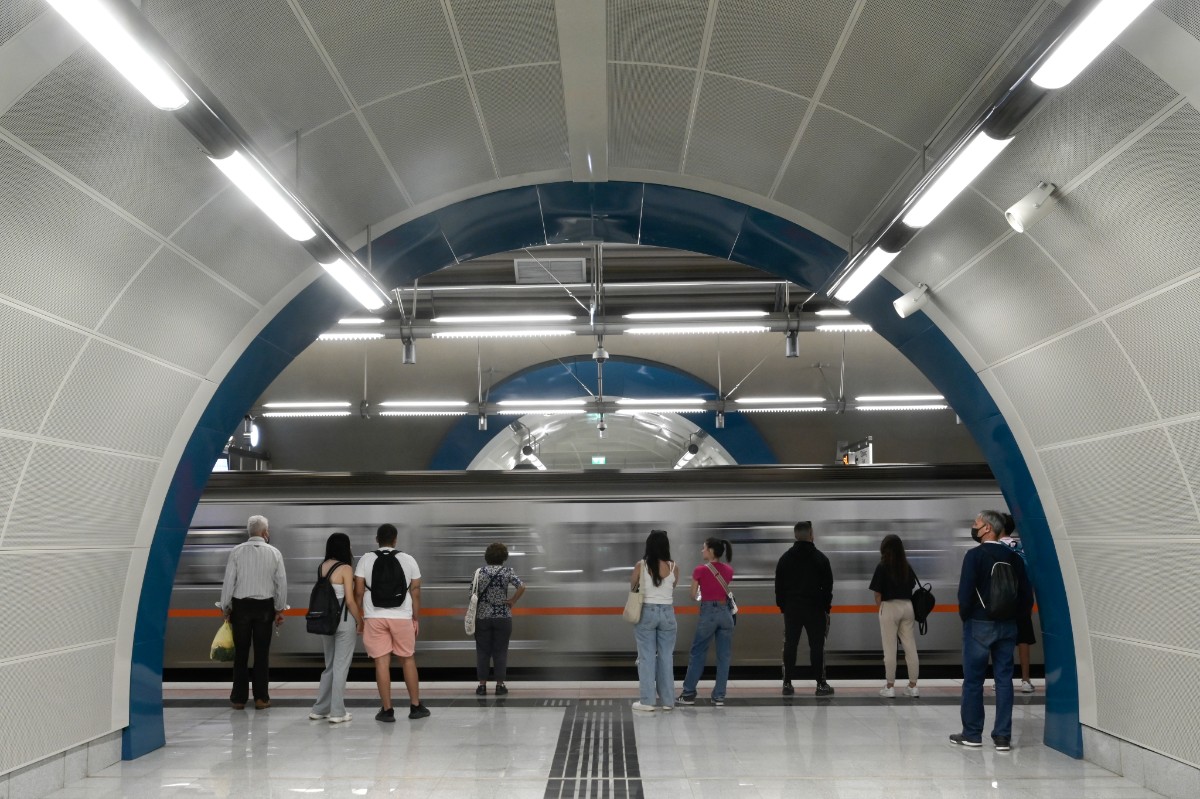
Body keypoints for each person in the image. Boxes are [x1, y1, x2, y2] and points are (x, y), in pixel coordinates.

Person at [950, 510, 1033, 752]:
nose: (973, 527)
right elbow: (1026, 597)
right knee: (1004, 680)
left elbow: (965, 594)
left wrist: (968, 617)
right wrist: (1014, 620)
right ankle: (1002, 737)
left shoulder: (974, 556)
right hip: (1008, 626)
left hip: (979, 623)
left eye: (976, 523)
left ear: (987, 528)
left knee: (973, 681)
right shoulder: (1014, 558)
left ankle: (972, 734)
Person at [355, 523, 430, 721]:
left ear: (377, 539)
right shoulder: (408, 559)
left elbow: (359, 592)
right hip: (402, 616)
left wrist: (358, 617)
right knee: (407, 660)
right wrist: (415, 617)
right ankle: (415, 706)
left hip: (374, 616)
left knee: (381, 662)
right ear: (395, 540)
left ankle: (387, 710)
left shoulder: (365, 559)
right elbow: (415, 591)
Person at [220, 514, 287, 710]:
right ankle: (261, 699)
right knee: (261, 654)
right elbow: (281, 583)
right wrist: (279, 609)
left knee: (240, 654)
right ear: (265, 532)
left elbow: (229, 582)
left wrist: (226, 607)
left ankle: (239, 699)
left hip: (240, 607)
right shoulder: (274, 553)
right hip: (265, 608)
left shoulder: (237, 552)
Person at [774, 521, 835, 697]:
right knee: (817, 646)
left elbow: (779, 587)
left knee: (790, 645)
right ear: (811, 535)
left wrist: (784, 607)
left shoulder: (785, 559)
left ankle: (787, 684)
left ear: (795, 535)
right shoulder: (821, 559)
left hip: (792, 609)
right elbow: (828, 587)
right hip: (815, 609)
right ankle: (820, 684)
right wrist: (825, 607)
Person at [309, 533, 363, 723]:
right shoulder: (346, 568)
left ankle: (320, 709)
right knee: (341, 666)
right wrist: (360, 620)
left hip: (325, 620)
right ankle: (338, 712)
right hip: (344, 620)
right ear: (344, 547)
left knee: (330, 665)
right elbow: (350, 600)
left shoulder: (321, 567)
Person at [678, 538, 735, 706]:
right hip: (726, 614)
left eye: (703, 548)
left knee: (697, 653)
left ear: (710, 551)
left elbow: (693, 595)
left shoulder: (700, 570)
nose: (701, 551)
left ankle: (688, 694)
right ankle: (719, 696)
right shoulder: (729, 570)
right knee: (724, 656)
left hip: (708, 614)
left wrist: (702, 596)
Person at [631, 530, 680, 712]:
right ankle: (668, 701)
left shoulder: (641, 565)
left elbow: (633, 587)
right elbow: (672, 587)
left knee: (647, 657)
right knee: (666, 657)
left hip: (647, 613)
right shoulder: (674, 567)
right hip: (667, 614)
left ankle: (647, 701)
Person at [472, 542, 526, 696]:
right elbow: (522, 586)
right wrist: (513, 600)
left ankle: (482, 686)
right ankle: (499, 686)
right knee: (500, 651)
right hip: (503, 616)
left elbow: (471, 594)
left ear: (487, 556)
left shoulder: (479, 572)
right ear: (504, 557)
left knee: (482, 651)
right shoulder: (507, 571)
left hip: (482, 616)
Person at [869, 534, 919, 698]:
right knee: (910, 646)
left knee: (889, 648)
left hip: (889, 607)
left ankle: (890, 686)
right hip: (907, 607)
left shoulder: (882, 566)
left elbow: (877, 593)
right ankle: (913, 686)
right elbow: (911, 586)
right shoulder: (906, 566)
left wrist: (882, 609)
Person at [1001, 514, 1036, 694]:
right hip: (1023, 598)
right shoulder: (1022, 546)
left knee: (1002, 640)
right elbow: (1030, 574)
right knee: (1023, 639)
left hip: (1002, 600)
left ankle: (1002, 680)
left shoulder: (996, 547)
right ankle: (1025, 680)